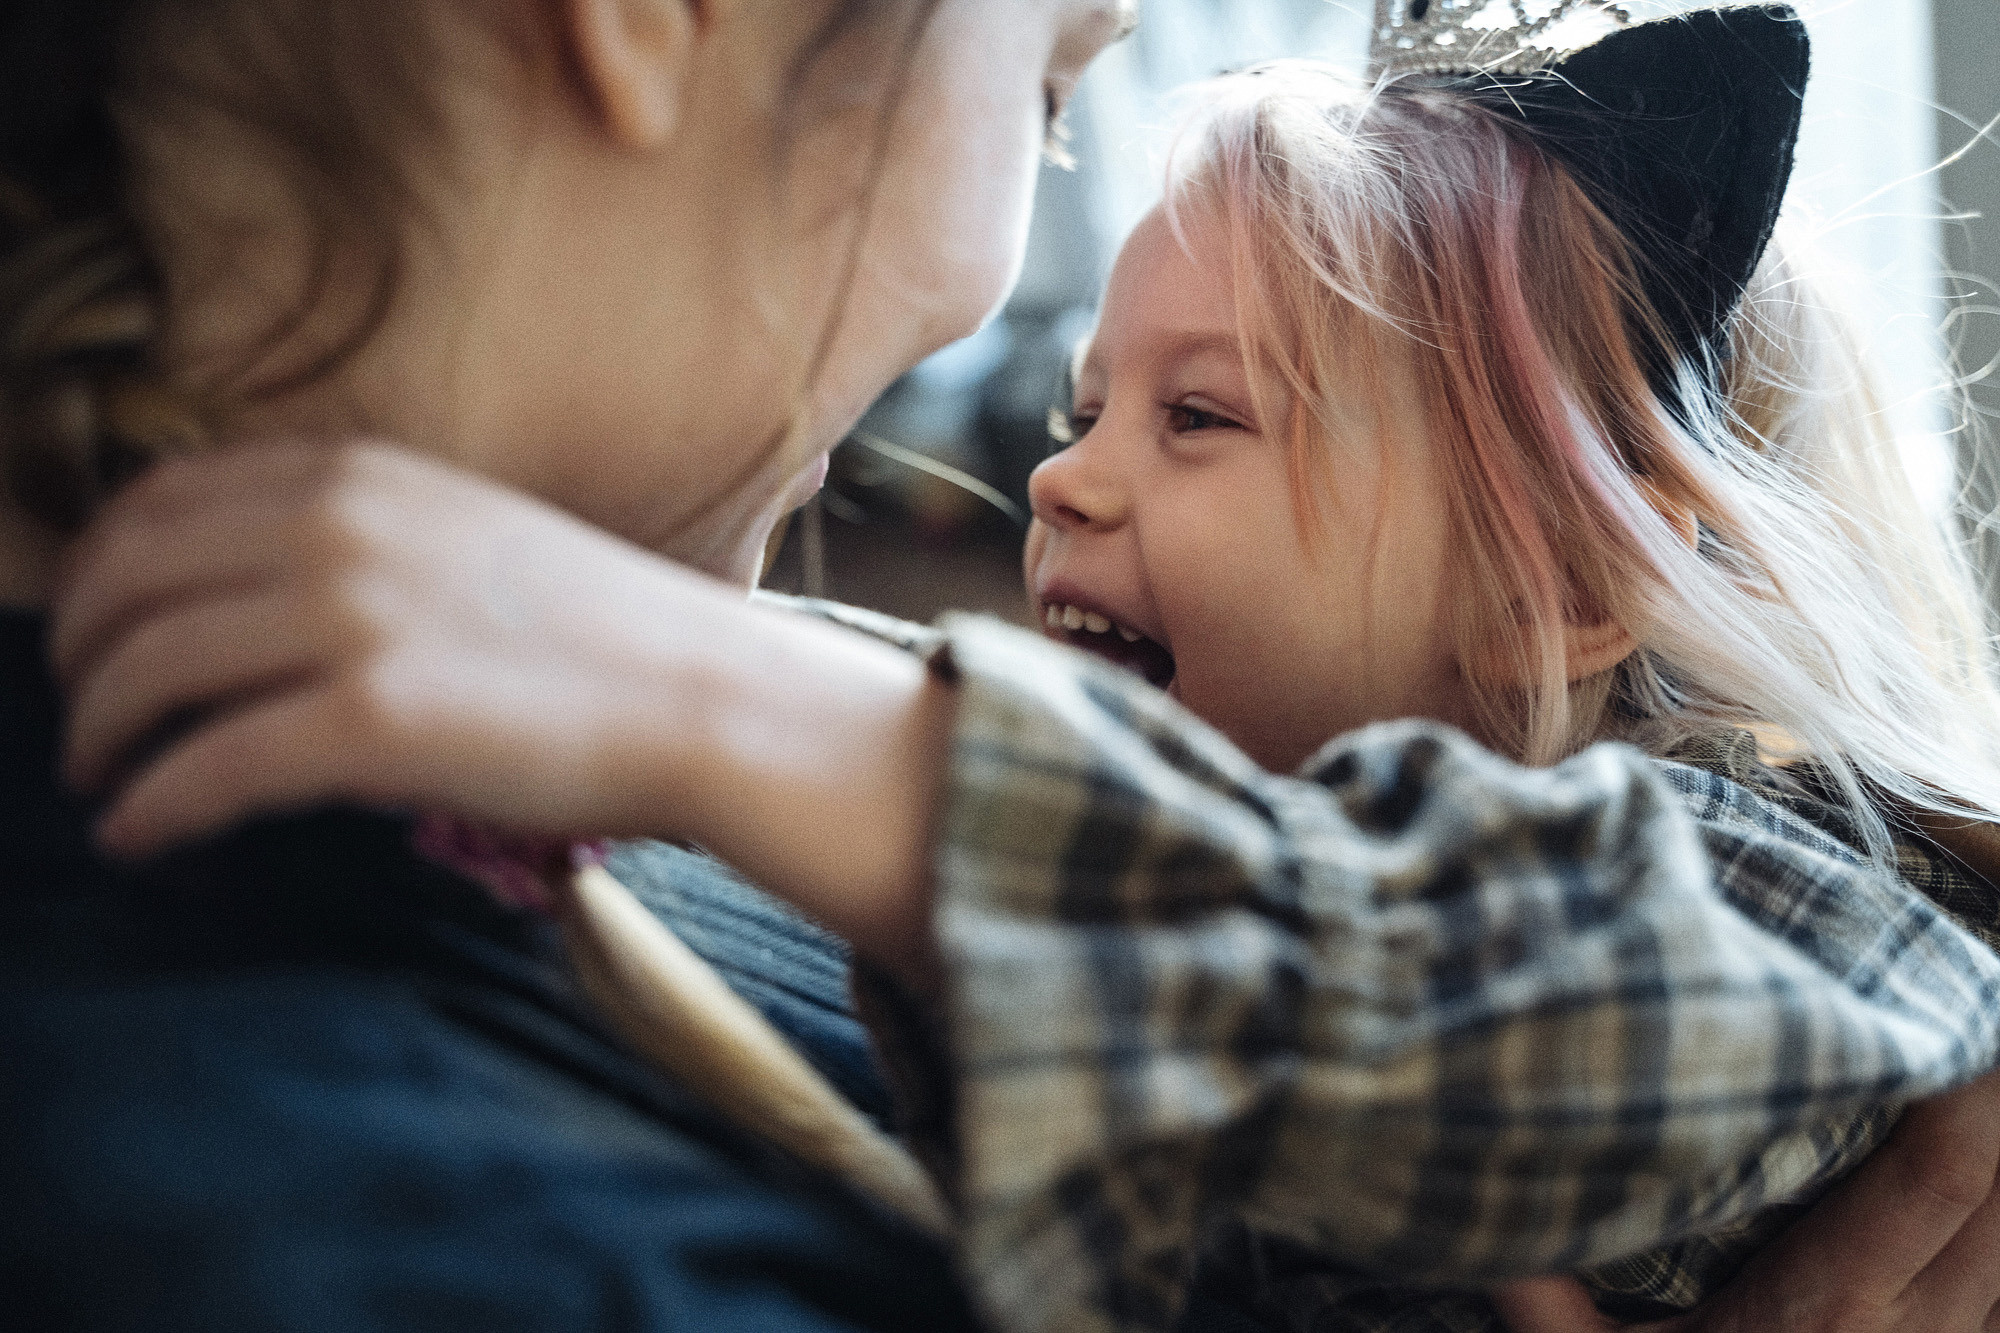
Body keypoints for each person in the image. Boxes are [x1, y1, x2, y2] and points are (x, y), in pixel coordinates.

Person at [7, 1, 2000, 1331]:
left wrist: (830, 743)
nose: (1058, 472)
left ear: (1558, 589)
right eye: (1044, 78)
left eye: (1200, 422)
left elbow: (1724, 1021)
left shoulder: (1736, 854)